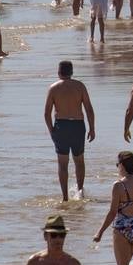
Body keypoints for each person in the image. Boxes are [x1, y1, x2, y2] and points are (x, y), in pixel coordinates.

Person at [43, 61, 95, 201]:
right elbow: (89, 109)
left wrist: (51, 130)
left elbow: (47, 113)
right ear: (71, 72)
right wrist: (92, 128)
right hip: (78, 126)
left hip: (61, 126)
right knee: (79, 161)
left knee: (62, 163)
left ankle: (65, 196)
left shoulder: (53, 88)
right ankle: (79, 191)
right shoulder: (80, 86)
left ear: (59, 72)